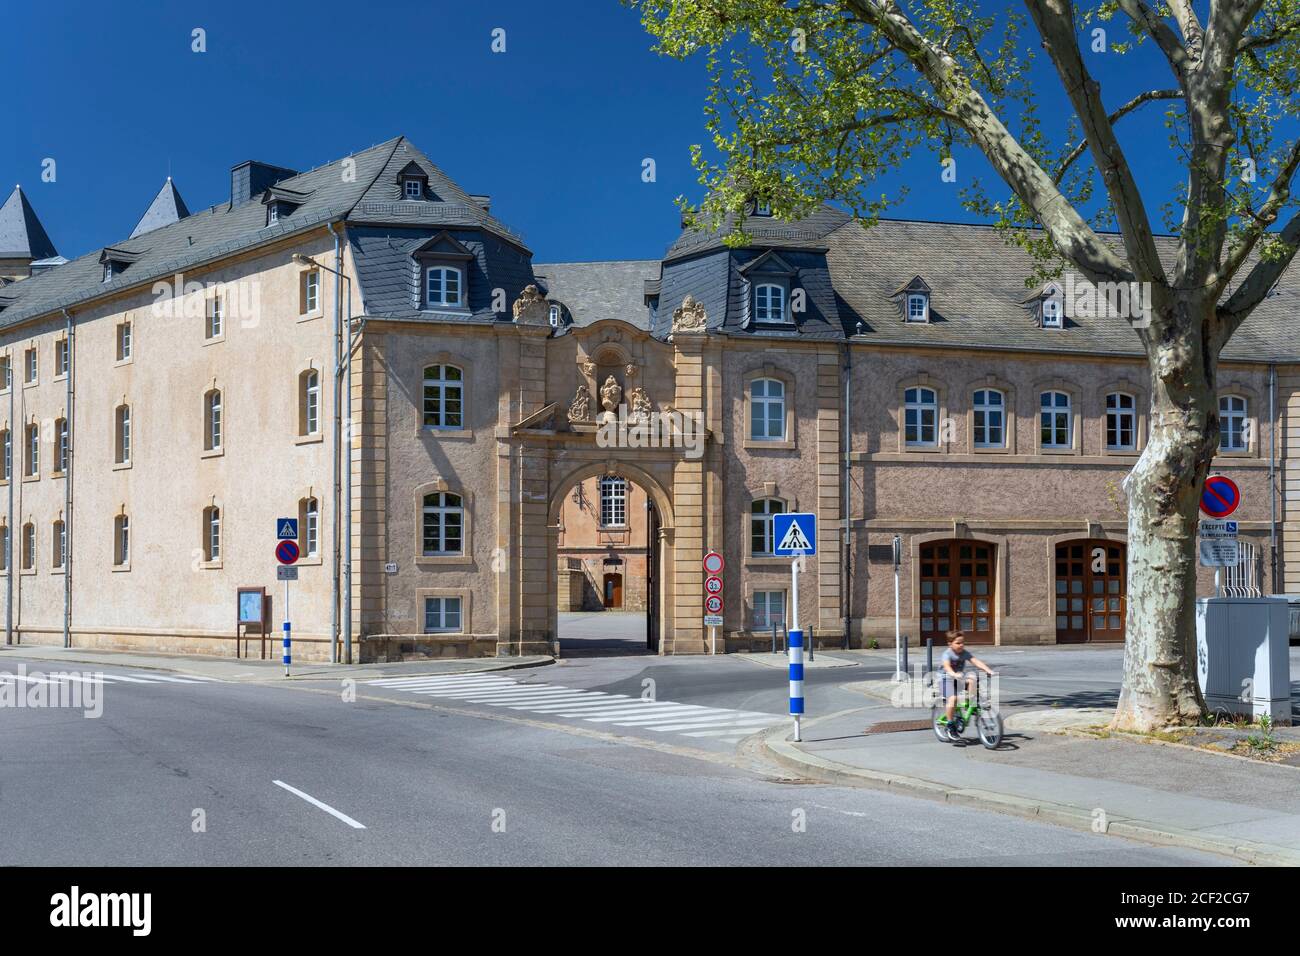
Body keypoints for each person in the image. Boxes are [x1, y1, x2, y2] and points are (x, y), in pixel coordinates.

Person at [938, 630, 995, 740]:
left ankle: (971, 704)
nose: (961, 645)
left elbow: (975, 661)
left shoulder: (964, 653)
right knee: (953, 698)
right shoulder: (947, 654)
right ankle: (950, 726)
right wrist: (953, 673)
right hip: (945, 679)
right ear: (950, 644)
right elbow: (947, 666)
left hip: (958, 677)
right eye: (958, 643)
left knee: (972, 680)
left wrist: (988, 670)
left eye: (962, 643)